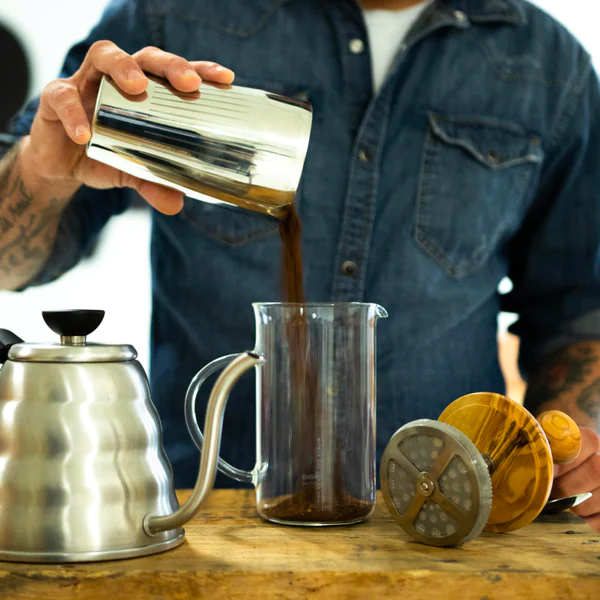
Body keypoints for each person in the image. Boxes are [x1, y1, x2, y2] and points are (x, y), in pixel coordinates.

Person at [0, 0, 599, 530]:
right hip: (200, 525)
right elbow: (10, 263)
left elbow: (578, 311)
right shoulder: (169, 17)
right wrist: (37, 169)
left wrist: (572, 453)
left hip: (448, 528)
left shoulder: (551, 68)